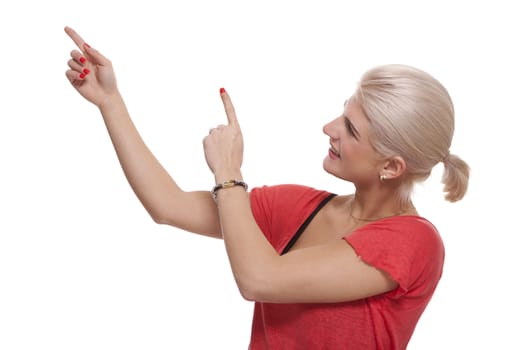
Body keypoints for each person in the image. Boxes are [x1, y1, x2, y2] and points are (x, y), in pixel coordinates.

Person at [64, 26, 470, 349]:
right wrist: (110, 103)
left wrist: (228, 173)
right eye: (341, 113)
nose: (328, 129)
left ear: (391, 165)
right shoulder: (298, 206)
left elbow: (260, 279)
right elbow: (167, 206)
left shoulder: (414, 243)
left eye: (350, 129)